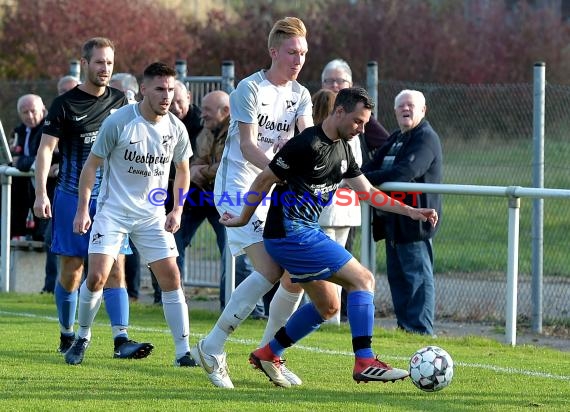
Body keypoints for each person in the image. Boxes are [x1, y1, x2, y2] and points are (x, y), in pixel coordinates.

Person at [220, 87, 438, 388]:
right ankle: (365, 360)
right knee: (363, 280)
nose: (361, 129)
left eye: (364, 123)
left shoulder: (345, 149)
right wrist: (243, 217)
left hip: (304, 232)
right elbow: (264, 178)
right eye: (357, 122)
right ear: (339, 112)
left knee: (329, 306)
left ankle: (268, 353)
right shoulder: (305, 144)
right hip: (290, 233)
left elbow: (369, 193)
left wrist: (411, 212)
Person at [190, 16, 326, 389]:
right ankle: (212, 346)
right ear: (274, 51)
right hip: (238, 186)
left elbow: (308, 139)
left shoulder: (300, 95)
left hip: (275, 188)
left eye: (304, 53)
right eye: (292, 52)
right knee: (268, 271)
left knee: (295, 276)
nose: (299, 59)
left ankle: (270, 354)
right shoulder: (248, 89)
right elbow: (249, 146)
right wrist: (283, 172)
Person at [66, 62, 195, 367]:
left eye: (171, 89)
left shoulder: (176, 128)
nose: (167, 96)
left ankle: (183, 353)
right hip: (113, 212)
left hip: (152, 216)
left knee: (172, 277)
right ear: (144, 89)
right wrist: (83, 209)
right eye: (160, 89)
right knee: (96, 277)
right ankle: (82, 336)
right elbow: (91, 166)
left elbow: (184, 171)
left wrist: (177, 209)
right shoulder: (119, 122)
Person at [33, 37, 152, 359]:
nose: (105, 68)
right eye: (99, 62)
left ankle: (120, 339)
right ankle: (67, 334)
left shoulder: (121, 102)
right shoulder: (64, 104)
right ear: (85, 64)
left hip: (113, 201)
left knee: (115, 268)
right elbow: (45, 150)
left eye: (110, 63)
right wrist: (41, 192)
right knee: (72, 269)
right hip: (72, 196)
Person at [362, 89, 442, 336]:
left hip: (415, 223)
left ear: (423, 110)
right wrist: (361, 177)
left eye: (411, 105)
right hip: (392, 221)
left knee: (416, 279)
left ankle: (420, 330)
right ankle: (405, 329)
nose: (406, 109)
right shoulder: (396, 137)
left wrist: (363, 180)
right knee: (397, 278)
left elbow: (404, 172)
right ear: (395, 111)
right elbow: (370, 167)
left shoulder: (425, 137)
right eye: (401, 106)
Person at [109, 72, 142, 301]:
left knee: (132, 247)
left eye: (116, 90)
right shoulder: (112, 116)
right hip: (113, 193)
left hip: (141, 196)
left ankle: (132, 292)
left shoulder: (138, 116)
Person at [10, 94, 47, 241]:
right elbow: (11, 157)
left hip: (45, 188)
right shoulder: (19, 131)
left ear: (43, 110)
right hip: (24, 189)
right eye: (25, 112)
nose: (30, 116)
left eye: (33, 111)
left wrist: (20, 162)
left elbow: (44, 159)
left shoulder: (50, 129)